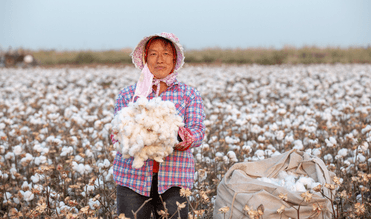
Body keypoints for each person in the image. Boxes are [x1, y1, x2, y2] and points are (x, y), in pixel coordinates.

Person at [111, 32, 205, 219]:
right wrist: (129, 136)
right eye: (153, 54)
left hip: (174, 180)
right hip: (131, 179)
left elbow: (198, 132)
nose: (159, 60)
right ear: (145, 58)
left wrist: (175, 136)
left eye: (166, 54)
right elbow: (116, 133)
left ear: (175, 59)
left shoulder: (189, 94)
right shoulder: (128, 94)